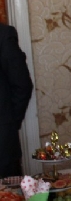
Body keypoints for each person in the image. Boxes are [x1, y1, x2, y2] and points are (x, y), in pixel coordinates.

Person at [0, 23, 33, 178]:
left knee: (9, 192)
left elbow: (22, 85)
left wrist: (10, 123)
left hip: (2, 147)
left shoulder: (3, 35)